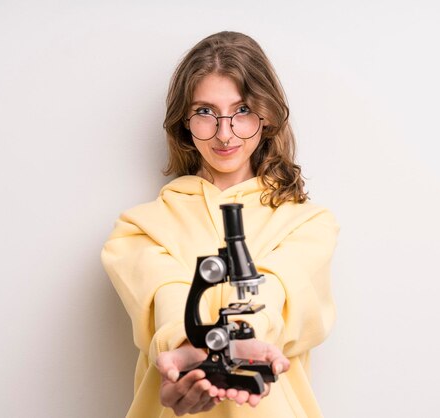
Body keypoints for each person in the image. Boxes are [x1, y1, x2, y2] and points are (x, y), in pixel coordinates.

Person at [101, 31, 339, 417]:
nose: (224, 133)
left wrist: (245, 338)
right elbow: (168, 296)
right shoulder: (139, 230)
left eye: (242, 110)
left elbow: (277, 291)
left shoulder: (309, 225)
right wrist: (189, 350)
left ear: (267, 116)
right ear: (184, 121)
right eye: (205, 112)